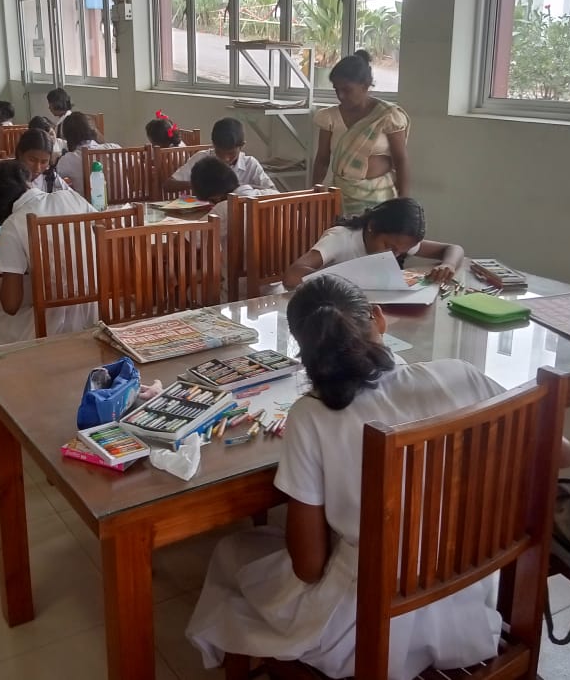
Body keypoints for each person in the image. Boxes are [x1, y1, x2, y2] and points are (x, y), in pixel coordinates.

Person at [186, 275, 507, 680]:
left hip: (366, 633)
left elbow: (308, 567)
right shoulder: (461, 375)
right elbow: (559, 450)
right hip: (468, 610)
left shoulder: (311, 415)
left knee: (232, 551)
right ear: (379, 318)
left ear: (306, 349)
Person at [0, 158, 99, 345]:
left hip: (50, 325)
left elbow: (11, 305)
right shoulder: (72, 197)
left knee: (3, 315)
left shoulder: (13, 223)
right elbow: (104, 228)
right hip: (97, 313)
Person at [283, 197, 463, 289]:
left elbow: (453, 249)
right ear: (372, 226)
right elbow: (292, 275)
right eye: (389, 246)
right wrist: (343, 279)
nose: (393, 255)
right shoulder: (341, 238)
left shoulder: (399, 242)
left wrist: (448, 264)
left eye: (401, 252)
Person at [312, 50, 410, 215]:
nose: (341, 95)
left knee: (378, 231)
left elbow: (401, 160)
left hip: (380, 198)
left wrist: (404, 203)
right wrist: (315, 191)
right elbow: (322, 158)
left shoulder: (387, 116)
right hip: (342, 196)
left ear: (365, 85)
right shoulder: (329, 117)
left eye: (347, 90)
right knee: (342, 231)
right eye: (336, 90)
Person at [190, 156, 273, 298]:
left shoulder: (225, 208)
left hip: (240, 294)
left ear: (215, 197)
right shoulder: (274, 195)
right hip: (280, 287)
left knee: (188, 291)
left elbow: (189, 241)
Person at [163, 117, 275, 193]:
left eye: (231, 153)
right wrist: (199, 184)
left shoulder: (250, 164)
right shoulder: (202, 159)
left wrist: (243, 187)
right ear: (213, 144)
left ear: (242, 146)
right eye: (219, 152)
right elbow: (168, 185)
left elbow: (273, 192)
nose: (226, 159)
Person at [54, 112, 120, 198]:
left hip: (89, 205)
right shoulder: (115, 148)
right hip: (126, 204)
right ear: (93, 130)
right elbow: (135, 163)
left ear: (67, 137)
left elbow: (54, 181)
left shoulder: (68, 159)